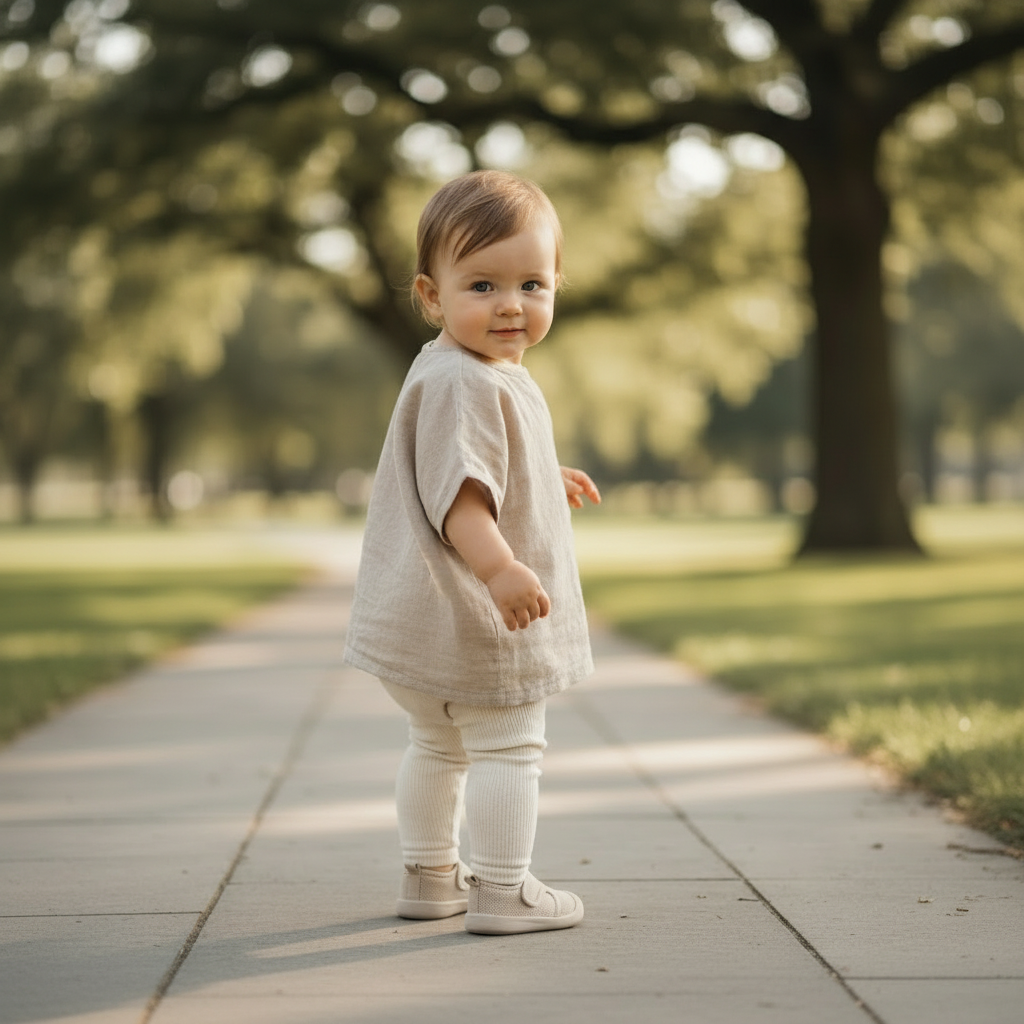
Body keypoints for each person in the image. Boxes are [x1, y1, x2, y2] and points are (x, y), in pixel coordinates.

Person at [343, 169, 600, 936]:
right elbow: (460, 498)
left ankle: (429, 874)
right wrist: (501, 569)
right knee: (509, 744)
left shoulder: (459, 370)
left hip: (423, 625)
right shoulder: (468, 381)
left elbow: (478, 462)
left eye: (532, 284)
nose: (511, 305)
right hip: (477, 617)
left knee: (436, 742)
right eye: (482, 285)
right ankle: (502, 890)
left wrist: (538, 476)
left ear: (557, 286)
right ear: (432, 295)